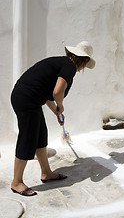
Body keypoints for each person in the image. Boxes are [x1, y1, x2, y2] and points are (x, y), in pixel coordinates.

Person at [10, 41, 95, 196]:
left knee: (41, 134)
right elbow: (57, 93)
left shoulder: (61, 63)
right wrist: (60, 105)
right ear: (83, 61)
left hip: (28, 98)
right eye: (85, 64)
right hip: (26, 99)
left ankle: (46, 173)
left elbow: (46, 94)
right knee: (28, 138)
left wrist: (57, 112)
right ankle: (16, 182)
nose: (83, 68)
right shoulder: (69, 67)